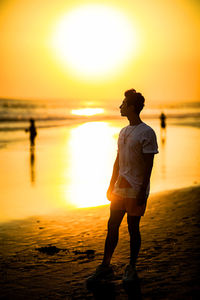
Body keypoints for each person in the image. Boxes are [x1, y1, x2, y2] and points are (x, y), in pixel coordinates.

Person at [87, 89, 158, 284]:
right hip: (120, 187)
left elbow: (149, 164)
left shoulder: (147, 132)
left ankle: (132, 268)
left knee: (133, 228)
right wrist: (111, 183)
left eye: (124, 104)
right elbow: (118, 160)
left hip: (136, 188)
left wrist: (143, 190)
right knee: (112, 225)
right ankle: (105, 266)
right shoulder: (123, 131)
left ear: (133, 107)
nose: (120, 106)